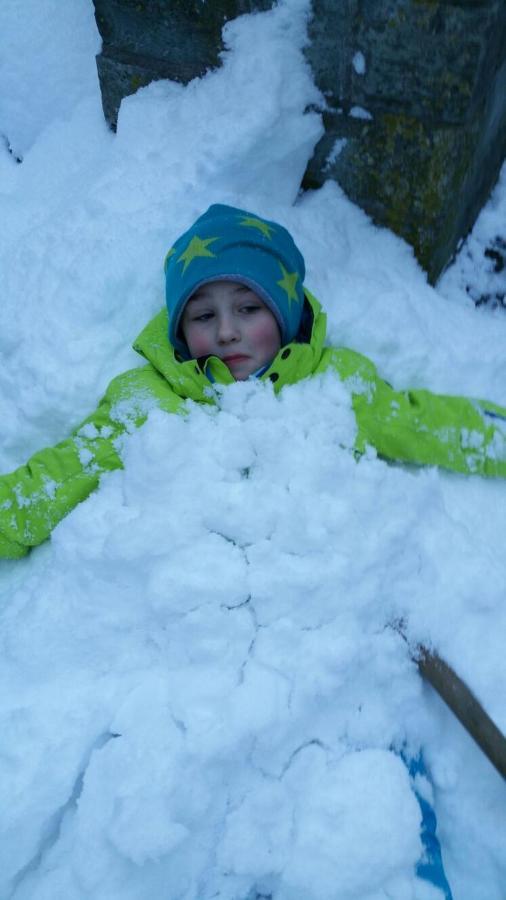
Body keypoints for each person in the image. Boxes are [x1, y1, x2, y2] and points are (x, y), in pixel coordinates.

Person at [1, 202, 505, 895]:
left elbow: (426, 423)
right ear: (178, 328)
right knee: (195, 824)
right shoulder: (142, 402)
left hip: (325, 657)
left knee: (363, 838)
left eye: (248, 306)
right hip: (198, 675)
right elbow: (54, 476)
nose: (227, 331)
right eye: (203, 315)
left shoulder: (340, 385)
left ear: (290, 312)